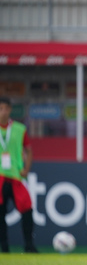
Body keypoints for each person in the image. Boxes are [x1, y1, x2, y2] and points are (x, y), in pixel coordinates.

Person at [0, 97, 37, 253]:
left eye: (5, 108)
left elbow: (28, 150)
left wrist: (26, 169)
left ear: (9, 110)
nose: (2, 112)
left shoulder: (19, 129)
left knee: (27, 209)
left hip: (16, 176)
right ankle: (4, 247)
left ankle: (29, 245)